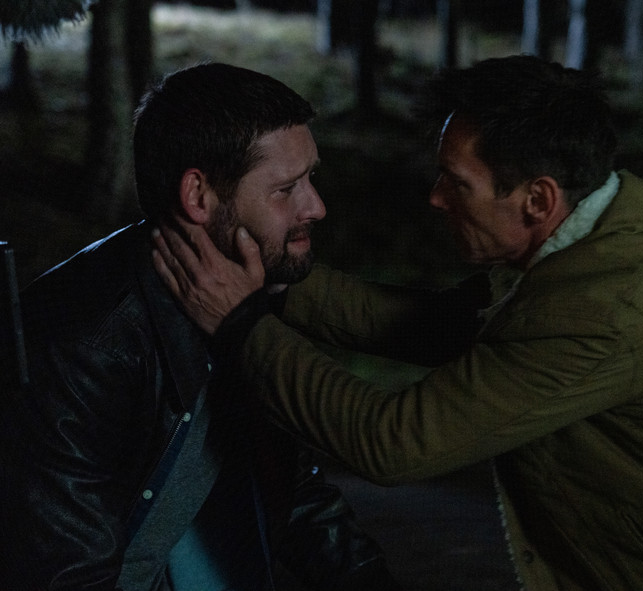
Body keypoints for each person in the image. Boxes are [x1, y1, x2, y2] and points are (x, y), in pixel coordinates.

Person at [152, 56, 643, 590]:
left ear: (537, 199)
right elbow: (430, 326)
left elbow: (394, 441)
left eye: (457, 182)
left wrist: (241, 322)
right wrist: (268, 278)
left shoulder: (605, 307)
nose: (436, 198)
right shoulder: (601, 227)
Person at [0, 63, 401, 591]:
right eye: (286, 188)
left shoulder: (245, 293)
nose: (317, 207)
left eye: (311, 178)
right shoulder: (88, 349)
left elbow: (295, 493)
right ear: (199, 197)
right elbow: (67, 575)